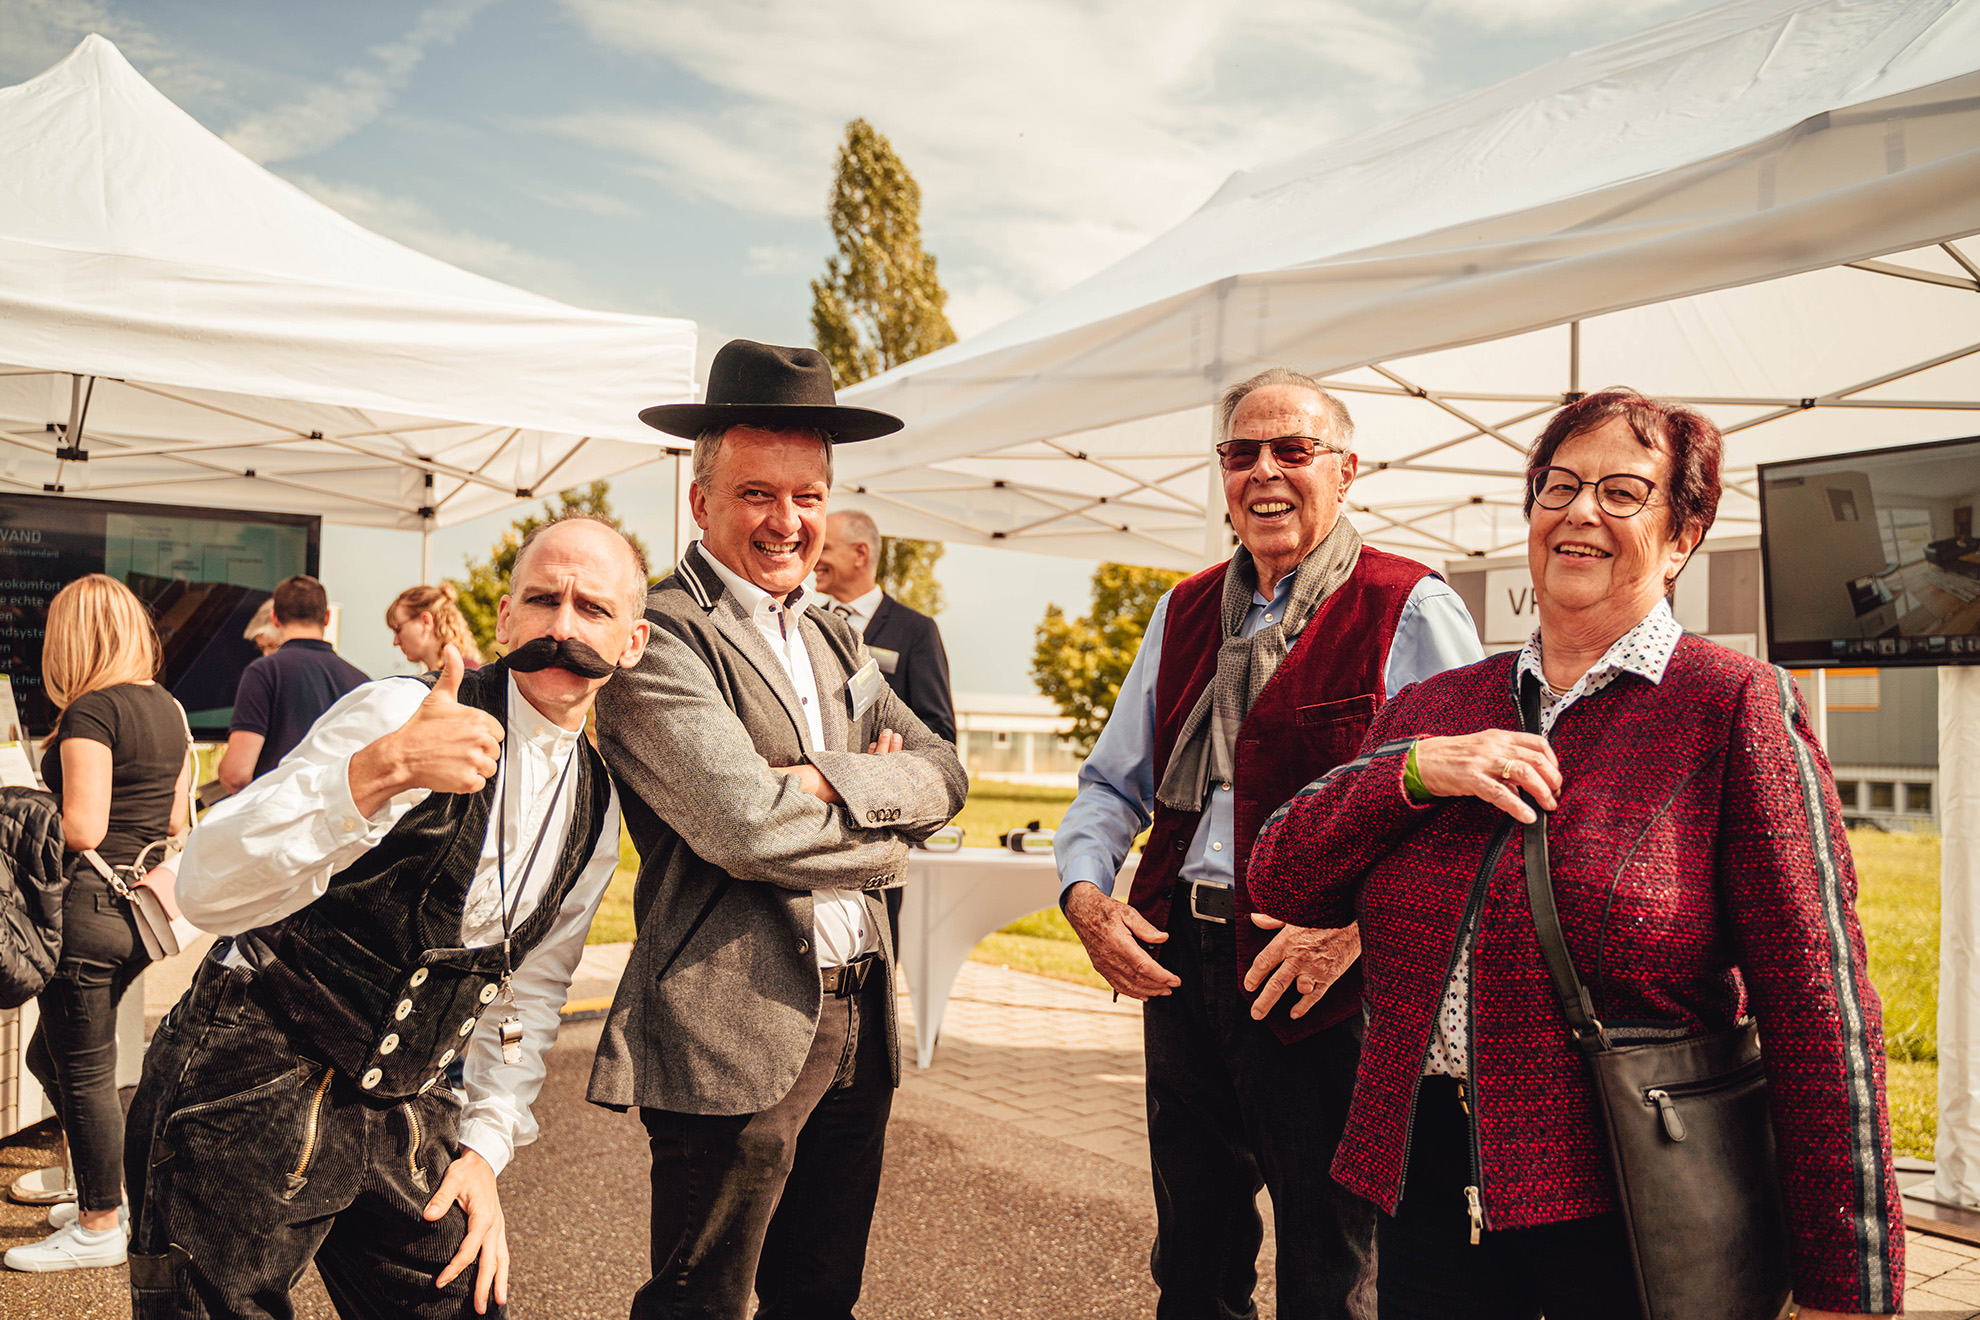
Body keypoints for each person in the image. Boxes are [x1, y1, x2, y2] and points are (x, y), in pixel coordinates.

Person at [1248, 389, 1900, 1319]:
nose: (1580, 511)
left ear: (1681, 538)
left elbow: (1817, 1002)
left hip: (1632, 1193)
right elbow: (1282, 875)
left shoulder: (1732, 705)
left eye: (1623, 492)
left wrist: (1846, 1279)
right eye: (1558, 486)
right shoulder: (1438, 707)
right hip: (1427, 1185)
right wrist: (1416, 771)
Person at [123, 516, 652, 1319]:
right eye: (544, 600)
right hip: (246, 1080)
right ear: (505, 618)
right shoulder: (398, 711)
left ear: (632, 642)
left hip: (408, 1107)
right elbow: (206, 885)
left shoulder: (594, 805)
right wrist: (384, 769)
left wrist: (484, 1147)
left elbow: (529, 993)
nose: (562, 627)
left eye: (593, 609)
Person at [1053, 367, 1483, 1320]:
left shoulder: (1408, 604)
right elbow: (1111, 783)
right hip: (1181, 955)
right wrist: (1085, 895)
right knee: (1193, 1252)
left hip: (1319, 969)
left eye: (1293, 450)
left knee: (1330, 1259)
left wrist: (1358, 933)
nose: (1265, 472)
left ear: (1347, 470)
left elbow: (1470, 817)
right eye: (1241, 453)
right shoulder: (1184, 609)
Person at [596, 338, 968, 1320]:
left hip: (858, 1018)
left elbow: (946, 772)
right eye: (757, 494)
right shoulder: (658, 637)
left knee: (821, 1299)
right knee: (701, 1304)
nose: (787, 520)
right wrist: (886, 832)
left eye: (808, 496)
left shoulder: (835, 630)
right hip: (732, 1022)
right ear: (700, 501)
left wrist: (822, 780)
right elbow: (748, 831)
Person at [5, 575, 189, 1273]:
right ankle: (108, 1192)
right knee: (48, 1060)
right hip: (137, 913)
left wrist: (19, 797)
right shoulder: (168, 707)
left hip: (84, 916)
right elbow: (173, 819)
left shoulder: (90, 712)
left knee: (82, 1072)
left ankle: (98, 1227)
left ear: (73, 639)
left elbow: (83, 827)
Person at [812, 509, 956, 743]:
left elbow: (940, 732)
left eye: (824, 548)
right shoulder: (804, 623)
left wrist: (883, 751)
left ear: (860, 554)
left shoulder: (916, 630)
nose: (813, 558)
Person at [217, 575, 367, 793]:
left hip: (276, 809)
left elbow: (236, 775)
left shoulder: (264, 672)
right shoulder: (362, 682)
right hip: (341, 811)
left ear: (275, 618)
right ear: (326, 617)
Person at [389, 583, 486, 673]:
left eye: (398, 629)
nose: (395, 642)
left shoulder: (463, 675)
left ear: (426, 621)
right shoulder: (456, 672)